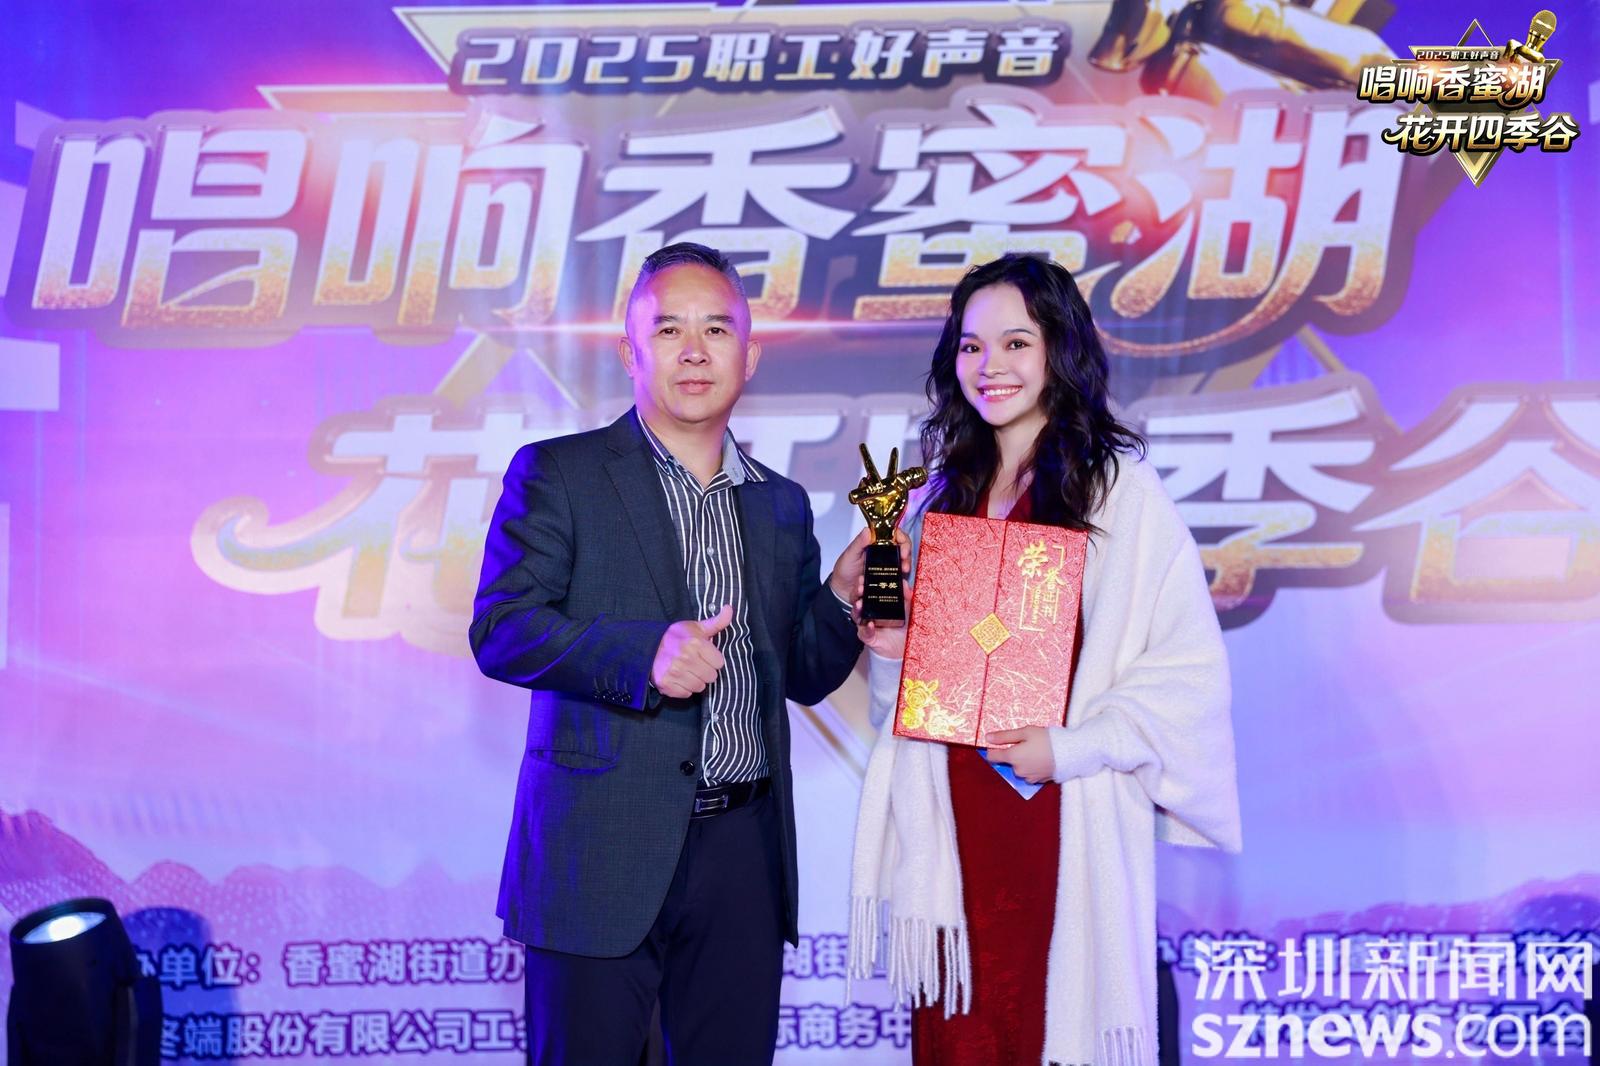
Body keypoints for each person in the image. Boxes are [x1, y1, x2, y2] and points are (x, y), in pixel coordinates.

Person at [472, 242, 893, 1065]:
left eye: (716, 329)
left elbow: (803, 674)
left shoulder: (780, 504)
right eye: (669, 330)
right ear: (629, 352)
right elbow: (503, 628)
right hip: (599, 848)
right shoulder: (560, 474)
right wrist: (642, 656)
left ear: (750, 356)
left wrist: (842, 596)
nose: (694, 351)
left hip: (742, 853)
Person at [848, 254, 1242, 1066]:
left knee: (1049, 1025)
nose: (989, 366)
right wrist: (895, 650)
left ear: (1060, 349)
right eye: (971, 346)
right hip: (951, 816)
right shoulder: (941, 495)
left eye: (1015, 343)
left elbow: (1187, 676)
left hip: (1056, 812)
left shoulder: (1117, 490)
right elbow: (923, 688)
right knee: (962, 1036)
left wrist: (1071, 749)